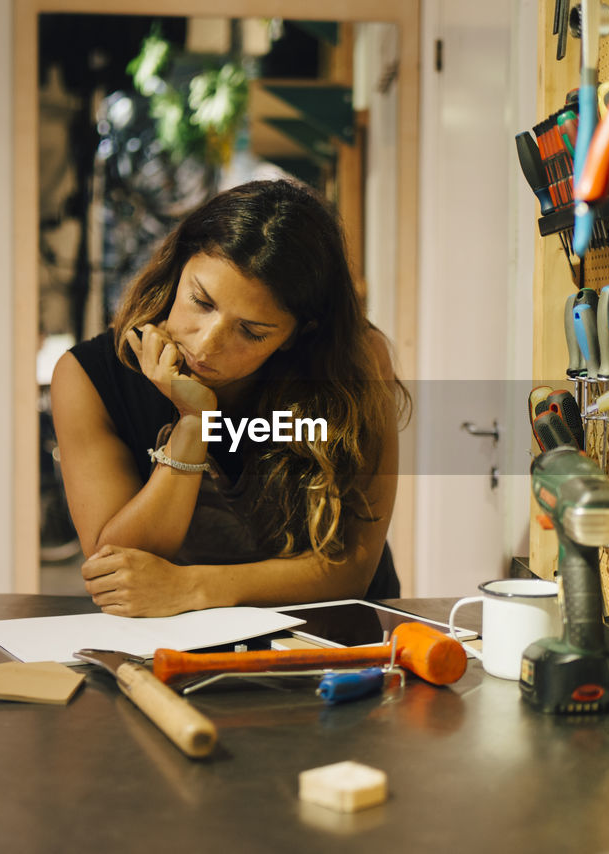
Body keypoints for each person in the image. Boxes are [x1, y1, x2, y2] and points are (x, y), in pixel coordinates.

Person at [51, 179, 409, 617]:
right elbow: (119, 572)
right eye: (201, 302)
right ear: (179, 265)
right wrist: (193, 422)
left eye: (252, 331)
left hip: (336, 635)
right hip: (177, 640)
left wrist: (192, 586)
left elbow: (352, 566)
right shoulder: (88, 377)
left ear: (299, 334)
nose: (206, 346)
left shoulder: (355, 362)